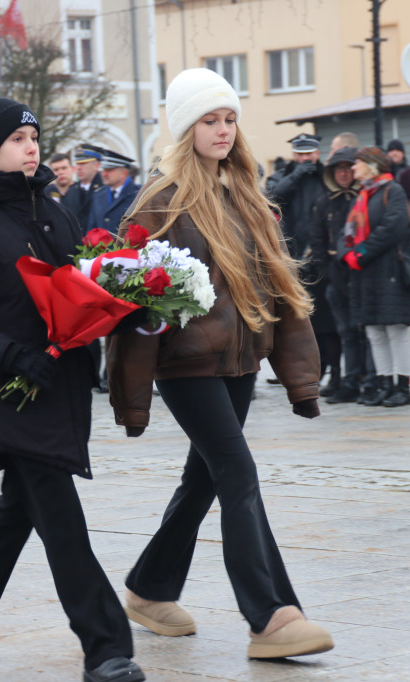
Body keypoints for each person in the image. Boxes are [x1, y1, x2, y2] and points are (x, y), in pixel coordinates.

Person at [108, 68, 333, 661]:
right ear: (185, 128)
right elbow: (130, 301)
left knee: (204, 477)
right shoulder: (160, 202)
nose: (223, 129)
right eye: (210, 119)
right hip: (186, 365)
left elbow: (280, 291)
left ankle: (149, 589)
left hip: (241, 360)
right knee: (237, 472)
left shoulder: (246, 194)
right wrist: (131, 395)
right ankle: (271, 616)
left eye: (229, 118)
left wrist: (299, 377)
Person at [0, 96, 144, 682]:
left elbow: (78, 286)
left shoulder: (52, 208)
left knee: (20, 508)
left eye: (34, 136)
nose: (32, 146)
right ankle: (106, 647)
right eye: (18, 138)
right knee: (62, 522)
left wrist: (127, 304)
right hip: (12, 389)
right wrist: (11, 354)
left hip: (59, 385)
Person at [338, 147, 410, 407]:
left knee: (395, 330)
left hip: (390, 271)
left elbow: (392, 227)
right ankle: (384, 385)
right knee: (374, 332)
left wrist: (360, 253)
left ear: (372, 165)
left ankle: (402, 387)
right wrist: (347, 253)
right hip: (365, 275)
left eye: (357, 164)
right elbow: (345, 232)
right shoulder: (361, 195)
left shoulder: (393, 191)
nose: (353, 169)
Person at [309, 146, 371, 404]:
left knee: (364, 331)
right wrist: (328, 271)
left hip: (362, 271)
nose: (343, 173)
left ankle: (366, 379)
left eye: (348, 168)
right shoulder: (326, 201)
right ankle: (343, 379)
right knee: (342, 330)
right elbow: (318, 240)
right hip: (334, 275)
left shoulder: (364, 197)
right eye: (338, 169)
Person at [265, 133, 327, 259]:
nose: (304, 159)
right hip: (290, 249)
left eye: (309, 154)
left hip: (321, 250)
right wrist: (295, 175)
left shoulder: (327, 177)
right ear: (293, 155)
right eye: (300, 154)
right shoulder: (280, 177)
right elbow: (273, 197)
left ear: (317, 154)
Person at [87, 149, 140, 233]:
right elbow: (92, 229)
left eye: (109, 170)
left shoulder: (138, 194)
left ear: (124, 173)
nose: (104, 174)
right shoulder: (98, 195)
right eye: (103, 170)